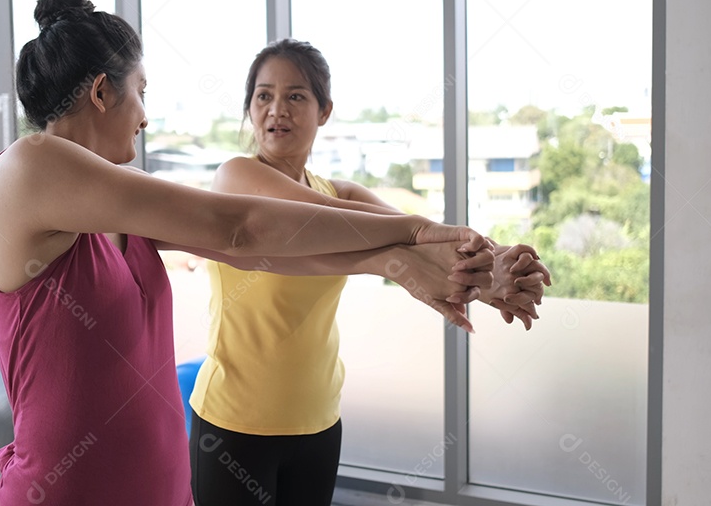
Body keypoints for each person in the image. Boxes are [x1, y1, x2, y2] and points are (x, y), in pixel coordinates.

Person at [0, 0, 497, 506]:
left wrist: (416, 266)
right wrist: (411, 232)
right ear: (101, 92)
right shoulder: (31, 166)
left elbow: (263, 251)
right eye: (142, 89)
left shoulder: (117, 209)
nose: (144, 115)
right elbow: (238, 227)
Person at [188, 39, 552, 506]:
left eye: (296, 96)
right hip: (234, 424)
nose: (277, 109)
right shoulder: (236, 177)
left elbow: (420, 240)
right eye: (264, 96)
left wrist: (497, 268)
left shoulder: (341, 192)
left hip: (318, 419)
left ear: (324, 111)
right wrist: (443, 247)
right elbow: (344, 223)